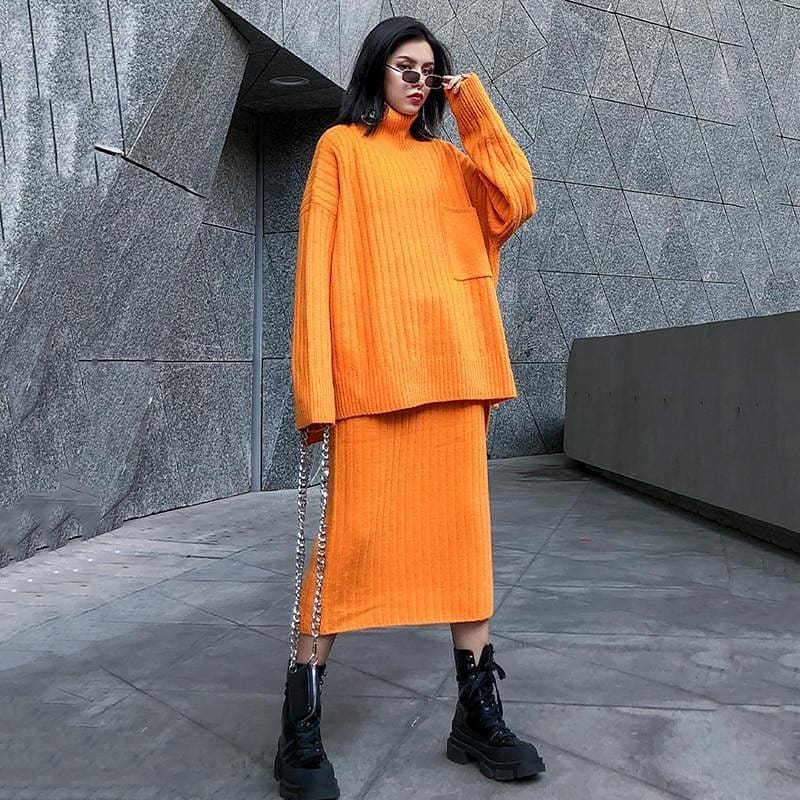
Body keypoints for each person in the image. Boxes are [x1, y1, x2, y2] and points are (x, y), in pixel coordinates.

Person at [273, 15, 545, 800]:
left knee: (464, 552)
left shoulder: (452, 160)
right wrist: (316, 393)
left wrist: (474, 108)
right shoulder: (340, 149)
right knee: (342, 554)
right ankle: (299, 728)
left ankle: (477, 715)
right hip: (372, 382)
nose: (418, 79)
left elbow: (517, 200)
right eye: (405, 66)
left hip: (454, 375)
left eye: (429, 69)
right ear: (376, 70)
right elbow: (314, 272)